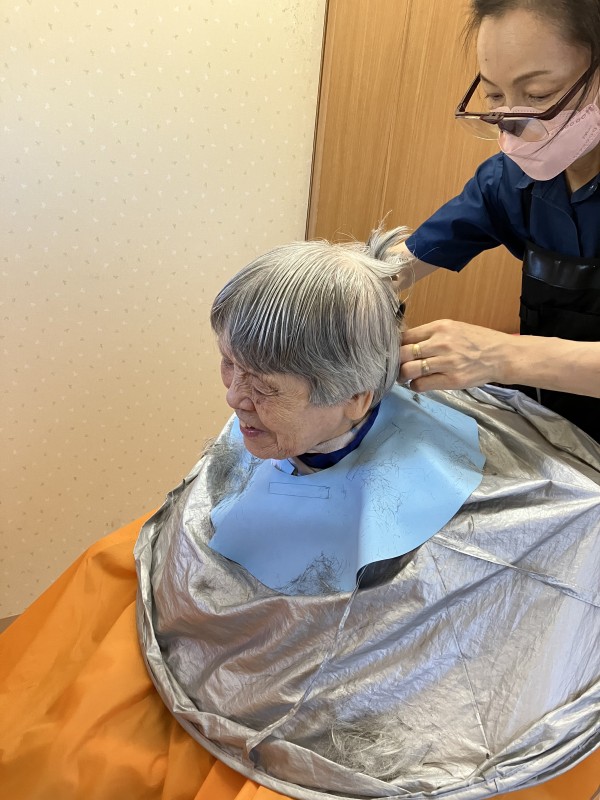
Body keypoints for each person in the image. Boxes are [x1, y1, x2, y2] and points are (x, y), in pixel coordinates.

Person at [1, 229, 599, 800]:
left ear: (356, 398)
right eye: (228, 364)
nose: (233, 397)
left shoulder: (468, 522)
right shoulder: (277, 420)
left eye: (263, 386)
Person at [395, 0, 600, 442]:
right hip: (553, 427)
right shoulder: (511, 182)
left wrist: (501, 355)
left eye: (539, 95)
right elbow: (399, 264)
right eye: (493, 96)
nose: (512, 123)